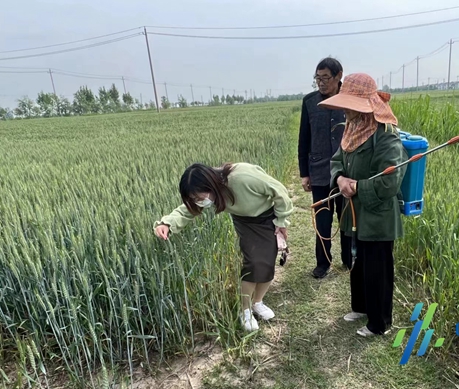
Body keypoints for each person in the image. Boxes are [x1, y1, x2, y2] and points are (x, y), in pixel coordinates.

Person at [153, 162, 294, 332]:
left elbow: (279, 192)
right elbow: (186, 211)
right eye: (194, 199)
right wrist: (167, 223)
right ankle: (245, 310)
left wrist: (281, 221)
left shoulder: (242, 177)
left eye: (199, 197)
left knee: (268, 261)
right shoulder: (208, 194)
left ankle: (258, 302)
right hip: (244, 221)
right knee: (254, 263)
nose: (199, 202)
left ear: (211, 184)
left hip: (268, 216)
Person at [318, 73, 408, 337]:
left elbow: (390, 182)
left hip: (378, 216)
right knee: (356, 261)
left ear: (366, 106)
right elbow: (336, 161)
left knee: (377, 267)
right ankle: (360, 307)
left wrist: (356, 186)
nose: (346, 110)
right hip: (354, 213)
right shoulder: (351, 131)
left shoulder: (386, 137)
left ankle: (379, 323)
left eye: (351, 105)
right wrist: (340, 178)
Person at [298, 56, 352, 279]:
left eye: (325, 78)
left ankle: (349, 260)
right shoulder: (310, 102)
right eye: (317, 78)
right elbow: (304, 139)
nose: (320, 82)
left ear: (339, 76)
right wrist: (304, 173)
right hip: (319, 172)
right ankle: (323, 263)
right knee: (322, 221)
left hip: (347, 173)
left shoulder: (350, 100)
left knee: (347, 220)